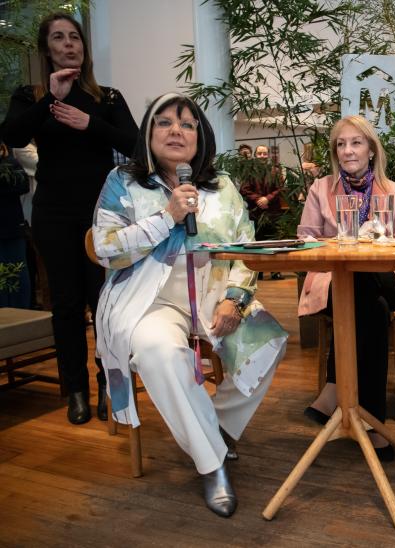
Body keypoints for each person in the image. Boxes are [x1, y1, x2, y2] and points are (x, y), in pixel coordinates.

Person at [92, 92, 287, 517]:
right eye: (164, 122)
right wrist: (167, 217)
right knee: (159, 350)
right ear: (148, 134)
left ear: (201, 137)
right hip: (150, 300)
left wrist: (235, 299)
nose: (176, 131)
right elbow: (106, 249)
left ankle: (214, 426)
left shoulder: (222, 187)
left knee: (268, 341)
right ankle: (212, 463)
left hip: (214, 295)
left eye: (187, 124)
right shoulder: (122, 183)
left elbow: (246, 250)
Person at [1, 12, 138, 425]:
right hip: (54, 214)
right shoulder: (31, 96)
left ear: (83, 45)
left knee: (104, 305)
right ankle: (75, 391)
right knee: (65, 305)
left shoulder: (107, 97)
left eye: (74, 36)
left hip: (102, 215)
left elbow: (135, 144)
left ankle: (107, 388)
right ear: (47, 48)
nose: (68, 44)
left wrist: (90, 124)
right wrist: (51, 100)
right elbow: (11, 137)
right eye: (59, 37)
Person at [297, 115, 395, 462]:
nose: (347, 150)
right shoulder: (320, 188)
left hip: (385, 277)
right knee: (372, 307)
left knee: (364, 282)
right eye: (341, 144)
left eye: (355, 142)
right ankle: (374, 423)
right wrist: (336, 248)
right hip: (333, 282)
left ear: (371, 150)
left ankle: (334, 389)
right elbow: (305, 238)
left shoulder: (393, 190)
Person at [239, 145, 285, 279]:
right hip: (256, 212)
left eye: (265, 154)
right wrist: (259, 199)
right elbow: (244, 190)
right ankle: (258, 273)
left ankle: (275, 272)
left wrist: (267, 199)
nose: (262, 156)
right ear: (255, 155)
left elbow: (280, 189)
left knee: (274, 242)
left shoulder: (276, 170)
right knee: (258, 243)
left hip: (273, 212)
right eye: (259, 154)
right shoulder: (249, 171)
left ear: (268, 155)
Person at [0, 140, 31, 308]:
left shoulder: (11, 163)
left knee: (18, 271)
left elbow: (24, 185)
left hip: (13, 226)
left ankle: (21, 309)